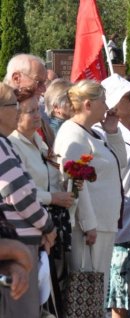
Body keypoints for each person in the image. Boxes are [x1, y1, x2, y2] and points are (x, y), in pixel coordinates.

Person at [54, 80, 127, 306]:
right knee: (85, 290)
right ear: (88, 104)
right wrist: (88, 223)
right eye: (102, 101)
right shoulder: (73, 135)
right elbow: (75, 182)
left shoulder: (93, 133)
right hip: (90, 226)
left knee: (96, 290)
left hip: (104, 222)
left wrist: (113, 131)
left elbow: (121, 162)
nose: (107, 106)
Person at [0, 82, 56, 317]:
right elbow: (18, 192)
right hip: (16, 245)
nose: (18, 111)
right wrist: (47, 225)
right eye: (15, 105)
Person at [97, 74, 130, 318]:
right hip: (118, 217)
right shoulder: (101, 132)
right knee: (118, 291)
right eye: (129, 96)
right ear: (113, 102)